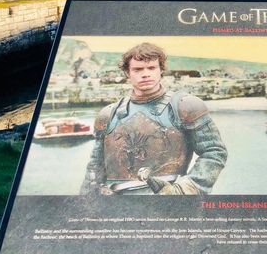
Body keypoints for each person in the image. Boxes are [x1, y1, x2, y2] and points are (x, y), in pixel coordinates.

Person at [80, 42, 227, 195]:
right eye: (137, 69)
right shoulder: (108, 114)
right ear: (127, 73)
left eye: (151, 68)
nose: (145, 74)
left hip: (168, 202)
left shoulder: (186, 106)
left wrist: (185, 189)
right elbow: (94, 169)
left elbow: (214, 152)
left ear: (161, 70)